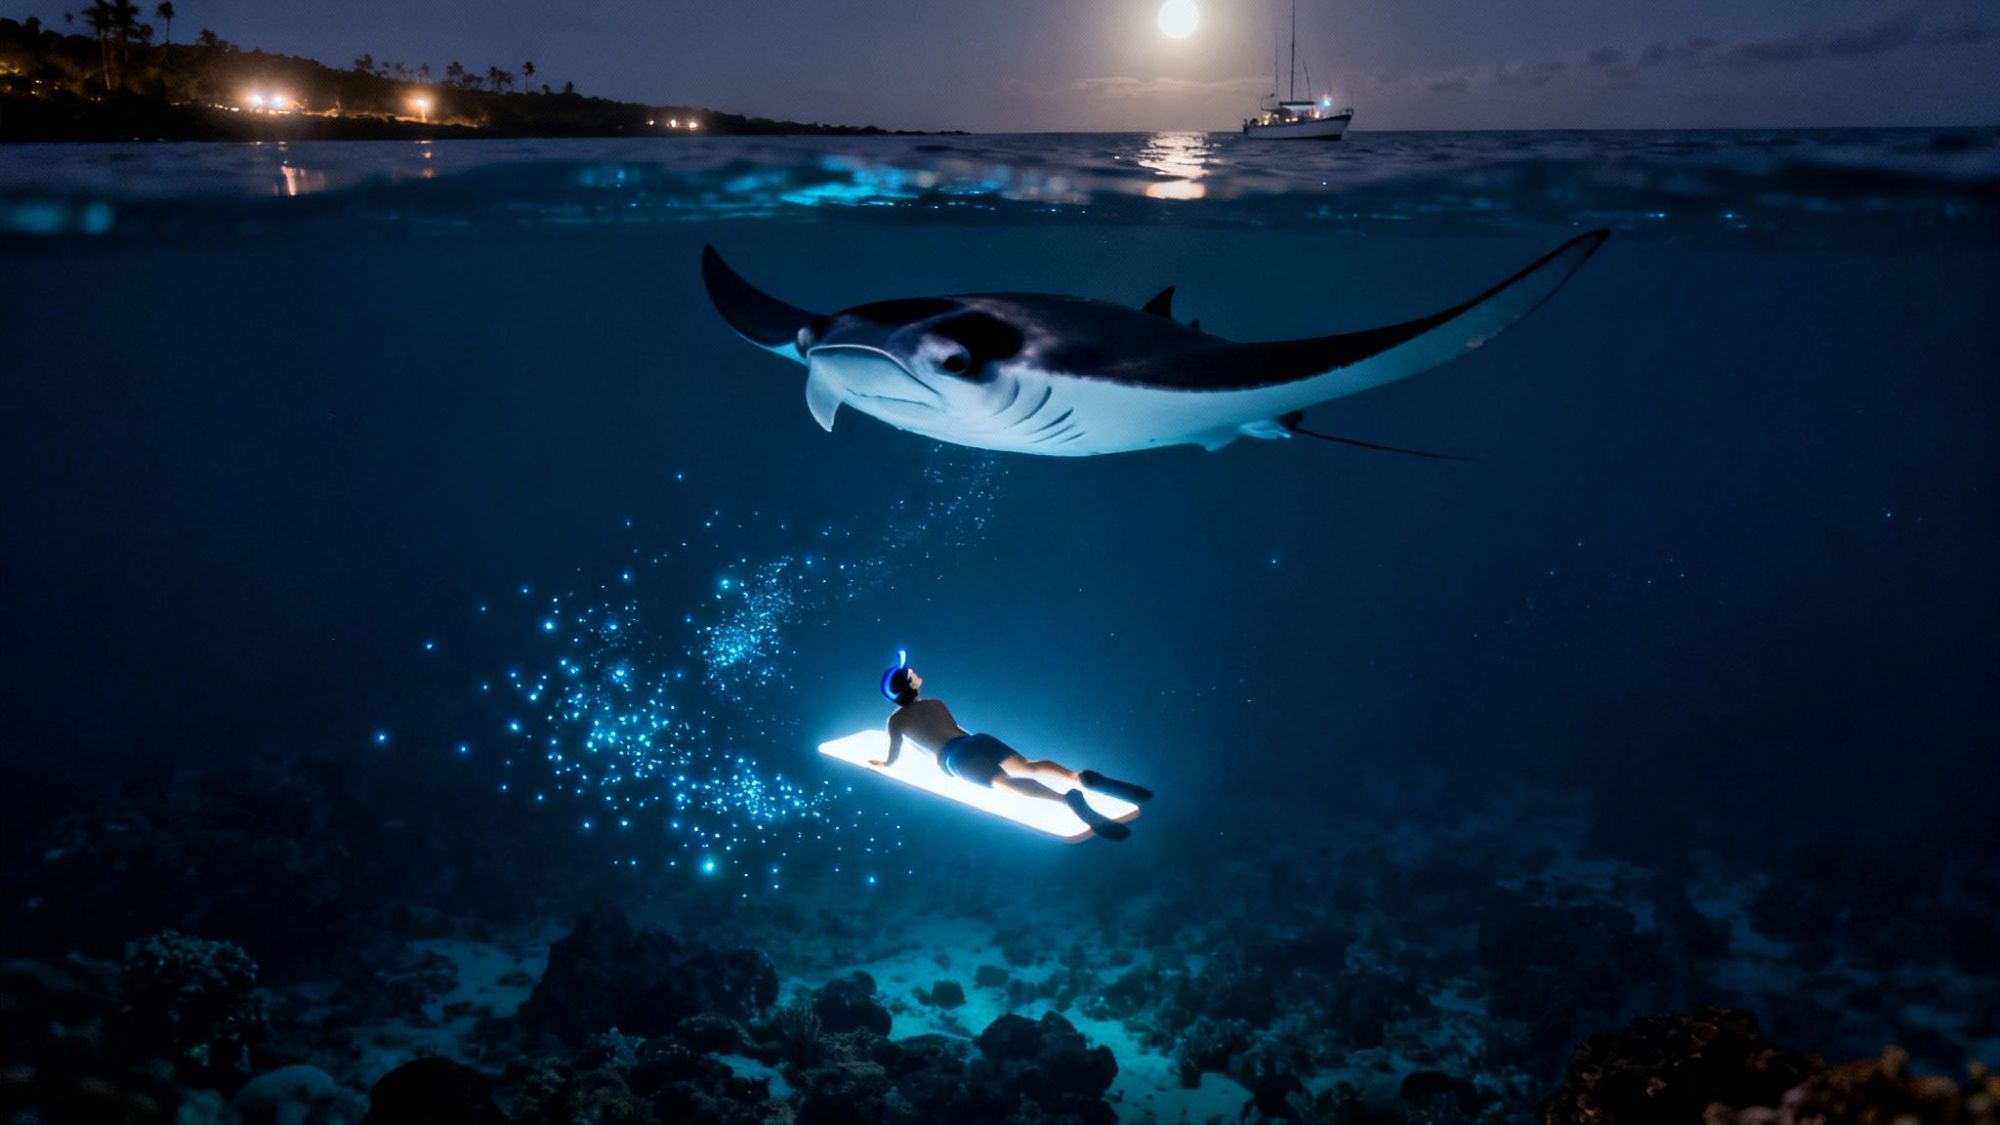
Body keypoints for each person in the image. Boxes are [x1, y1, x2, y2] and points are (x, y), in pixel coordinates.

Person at [867, 658, 1152, 841]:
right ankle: (1078, 777)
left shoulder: (896, 720)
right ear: (910, 684)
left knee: (1003, 782)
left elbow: (894, 757)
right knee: (1029, 764)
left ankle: (1067, 800)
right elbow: (958, 728)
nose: (917, 672)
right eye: (913, 673)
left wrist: (881, 764)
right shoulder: (936, 703)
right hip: (976, 740)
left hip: (953, 757)